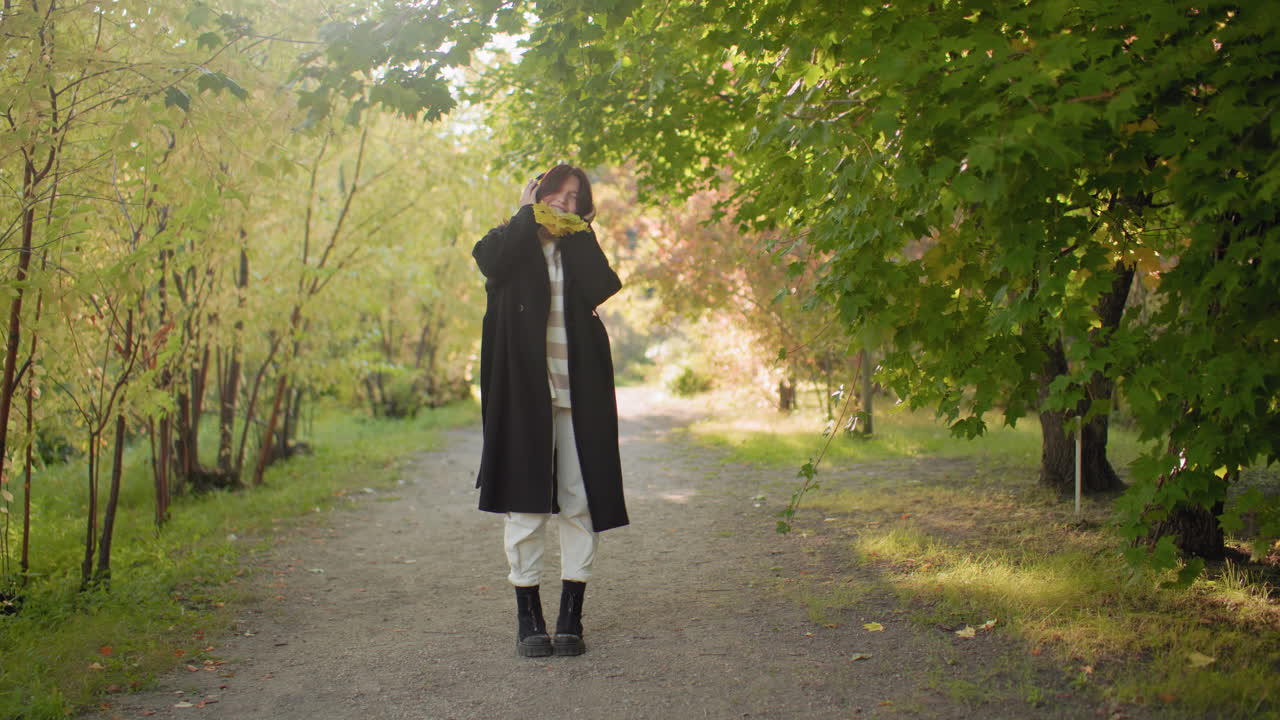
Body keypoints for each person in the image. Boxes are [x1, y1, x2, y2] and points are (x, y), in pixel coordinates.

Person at [472, 164, 628, 658]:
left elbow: (604, 284)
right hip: (524, 397)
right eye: (555, 192)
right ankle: (528, 618)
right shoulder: (506, 243)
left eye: (574, 196)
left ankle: (570, 617)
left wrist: (576, 231)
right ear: (536, 193)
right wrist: (524, 214)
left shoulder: (579, 248)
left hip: (578, 396)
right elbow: (491, 262)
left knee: (579, 503)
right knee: (526, 507)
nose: (563, 201)